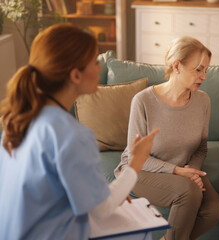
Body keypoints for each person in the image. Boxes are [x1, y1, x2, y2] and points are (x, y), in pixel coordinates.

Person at [0, 23, 159, 240]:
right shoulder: (72, 135)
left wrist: (103, 192)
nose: (100, 68)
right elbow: (102, 209)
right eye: (95, 62)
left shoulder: (17, 119)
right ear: (75, 75)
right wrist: (136, 163)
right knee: (143, 233)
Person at [114, 36, 219, 240]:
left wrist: (191, 171)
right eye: (198, 69)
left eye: (206, 70)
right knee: (189, 192)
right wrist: (178, 171)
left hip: (184, 170)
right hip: (141, 170)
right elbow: (135, 157)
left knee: (214, 210)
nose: (204, 76)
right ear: (177, 66)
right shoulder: (143, 100)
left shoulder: (203, 100)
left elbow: (201, 148)